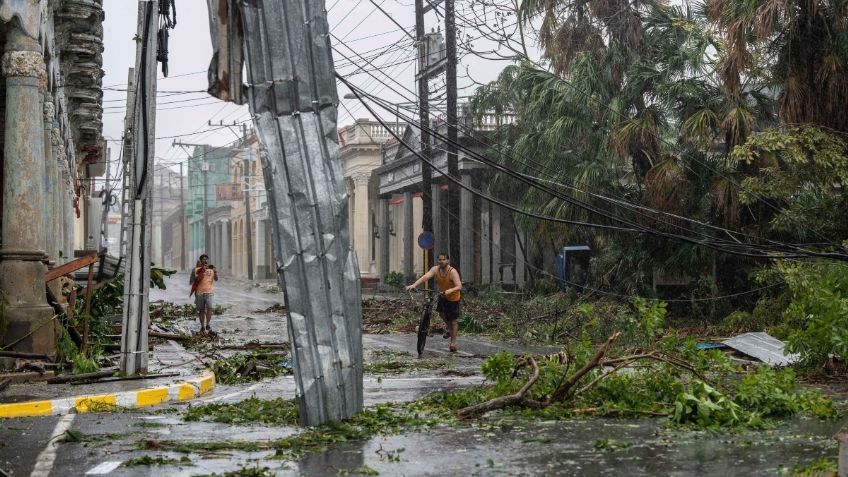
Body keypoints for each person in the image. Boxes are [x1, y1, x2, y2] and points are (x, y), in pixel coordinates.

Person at [405, 253, 463, 352]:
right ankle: (449, 329)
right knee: (441, 313)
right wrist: (414, 285)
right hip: (442, 295)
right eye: (440, 260)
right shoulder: (435, 269)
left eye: (443, 259)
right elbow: (425, 277)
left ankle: (453, 343)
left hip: (453, 298)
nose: (441, 261)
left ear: (448, 261)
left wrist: (450, 290)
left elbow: (459, 286)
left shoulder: (452, 272)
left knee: (453, 321)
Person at [193, 254, 218, 332]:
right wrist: (203, 270)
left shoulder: (211, 270)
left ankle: (208, 324)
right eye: (203, 259)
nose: (205, 260)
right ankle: (202, 326)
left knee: (210, 308)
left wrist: (215, 272)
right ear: (201, 261)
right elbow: (197, 280)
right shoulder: (197, 269)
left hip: (209, 292)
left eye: (206, 259)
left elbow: (216, 279)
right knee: (201, 310)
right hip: (200, 293)